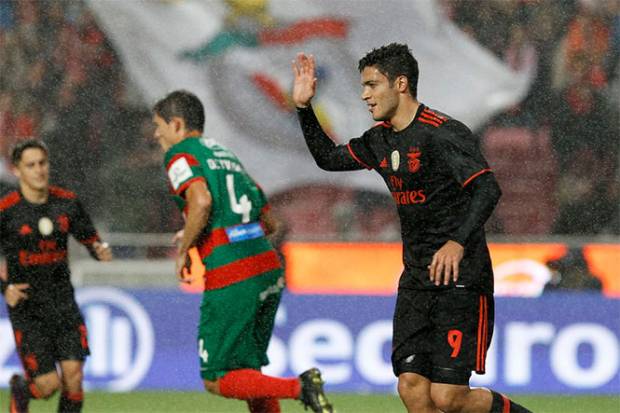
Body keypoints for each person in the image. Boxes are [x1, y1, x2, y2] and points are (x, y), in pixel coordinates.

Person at [292, 44, 532, 413]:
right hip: (417, 280)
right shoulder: (380, 139)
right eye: (363, 86)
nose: (364, 94)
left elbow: (487, 188)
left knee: (448, 397)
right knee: (413, 389)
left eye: (372, 84)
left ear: (400, 84)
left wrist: (457, 242)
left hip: (461, 278)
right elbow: (328, 158)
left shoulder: (443, 133)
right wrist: (304, 108)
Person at [151, 90, 333, 413]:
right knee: (248, 374)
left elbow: (202, 201)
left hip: (232, 274)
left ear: (177, 125)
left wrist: (186, 249)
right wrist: (213, 230)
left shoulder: (180, 155)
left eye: (159, 126)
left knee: (217, 377)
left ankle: (299, 386)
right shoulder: (225, 154)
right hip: (267, 268)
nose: (156, 134)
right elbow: (269, 221)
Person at [0, 139, 112, 413]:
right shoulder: (7, 211)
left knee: (74, 377)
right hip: (28, 309)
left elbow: (91, 239)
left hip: (63, 304)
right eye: (31, 165)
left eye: (42, 163)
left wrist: (99, 250)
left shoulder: (67, 203)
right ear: (17, 170)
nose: (39, 170)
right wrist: (5, 288)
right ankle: (22, 389)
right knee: (48, 386)